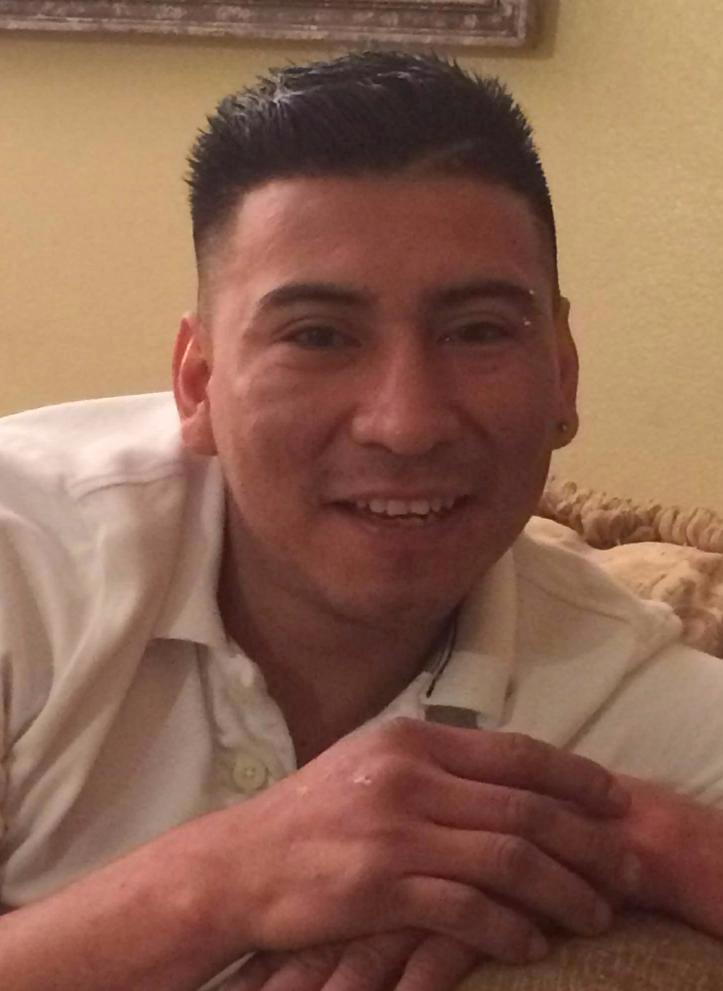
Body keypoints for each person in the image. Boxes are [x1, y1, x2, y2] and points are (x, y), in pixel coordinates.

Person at [1, 50, 723, 991]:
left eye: (476, 330)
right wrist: (221, 881)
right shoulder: (24, 556)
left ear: (562, 374)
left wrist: (641, 837)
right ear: (198, 384)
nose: (406, 422)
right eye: (317, 335)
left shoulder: (608, 677)